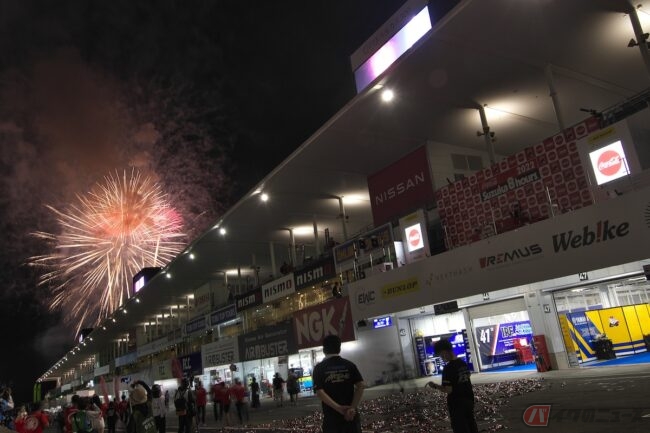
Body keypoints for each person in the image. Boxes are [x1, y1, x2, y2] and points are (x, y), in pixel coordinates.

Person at [313, 335, 365, 433]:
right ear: (339, 349)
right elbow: (361, 385)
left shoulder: (319, 368)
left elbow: (320, 392)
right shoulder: (349, 365)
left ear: (324, 350)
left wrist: (339, 408)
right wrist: (352, 408)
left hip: (332, 418)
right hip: (350, 416)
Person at [426, 338, 478, 433]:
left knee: (461, 428)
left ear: (444, 352)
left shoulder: (448, 368)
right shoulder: (463, 363)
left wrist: (435, 386)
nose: (441, 357)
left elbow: (448, 390)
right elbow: (467, 377)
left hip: (457, 404)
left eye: (441, 355)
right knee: (471, 425)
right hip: (469, 399)